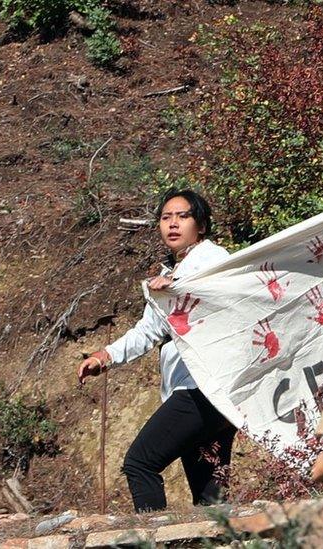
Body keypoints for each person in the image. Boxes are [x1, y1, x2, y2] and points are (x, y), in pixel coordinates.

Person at [77, 189, 234, 512]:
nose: (172, 224)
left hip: (201, 390)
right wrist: (104, 357)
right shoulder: (169, 273)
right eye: (165, 218)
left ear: (201, 226)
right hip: (206, 393)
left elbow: (224, 297)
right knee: (211, 503)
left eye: (182, 216)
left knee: (140, 463)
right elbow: (149, 331)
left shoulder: (215, 260)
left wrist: (177, 288)